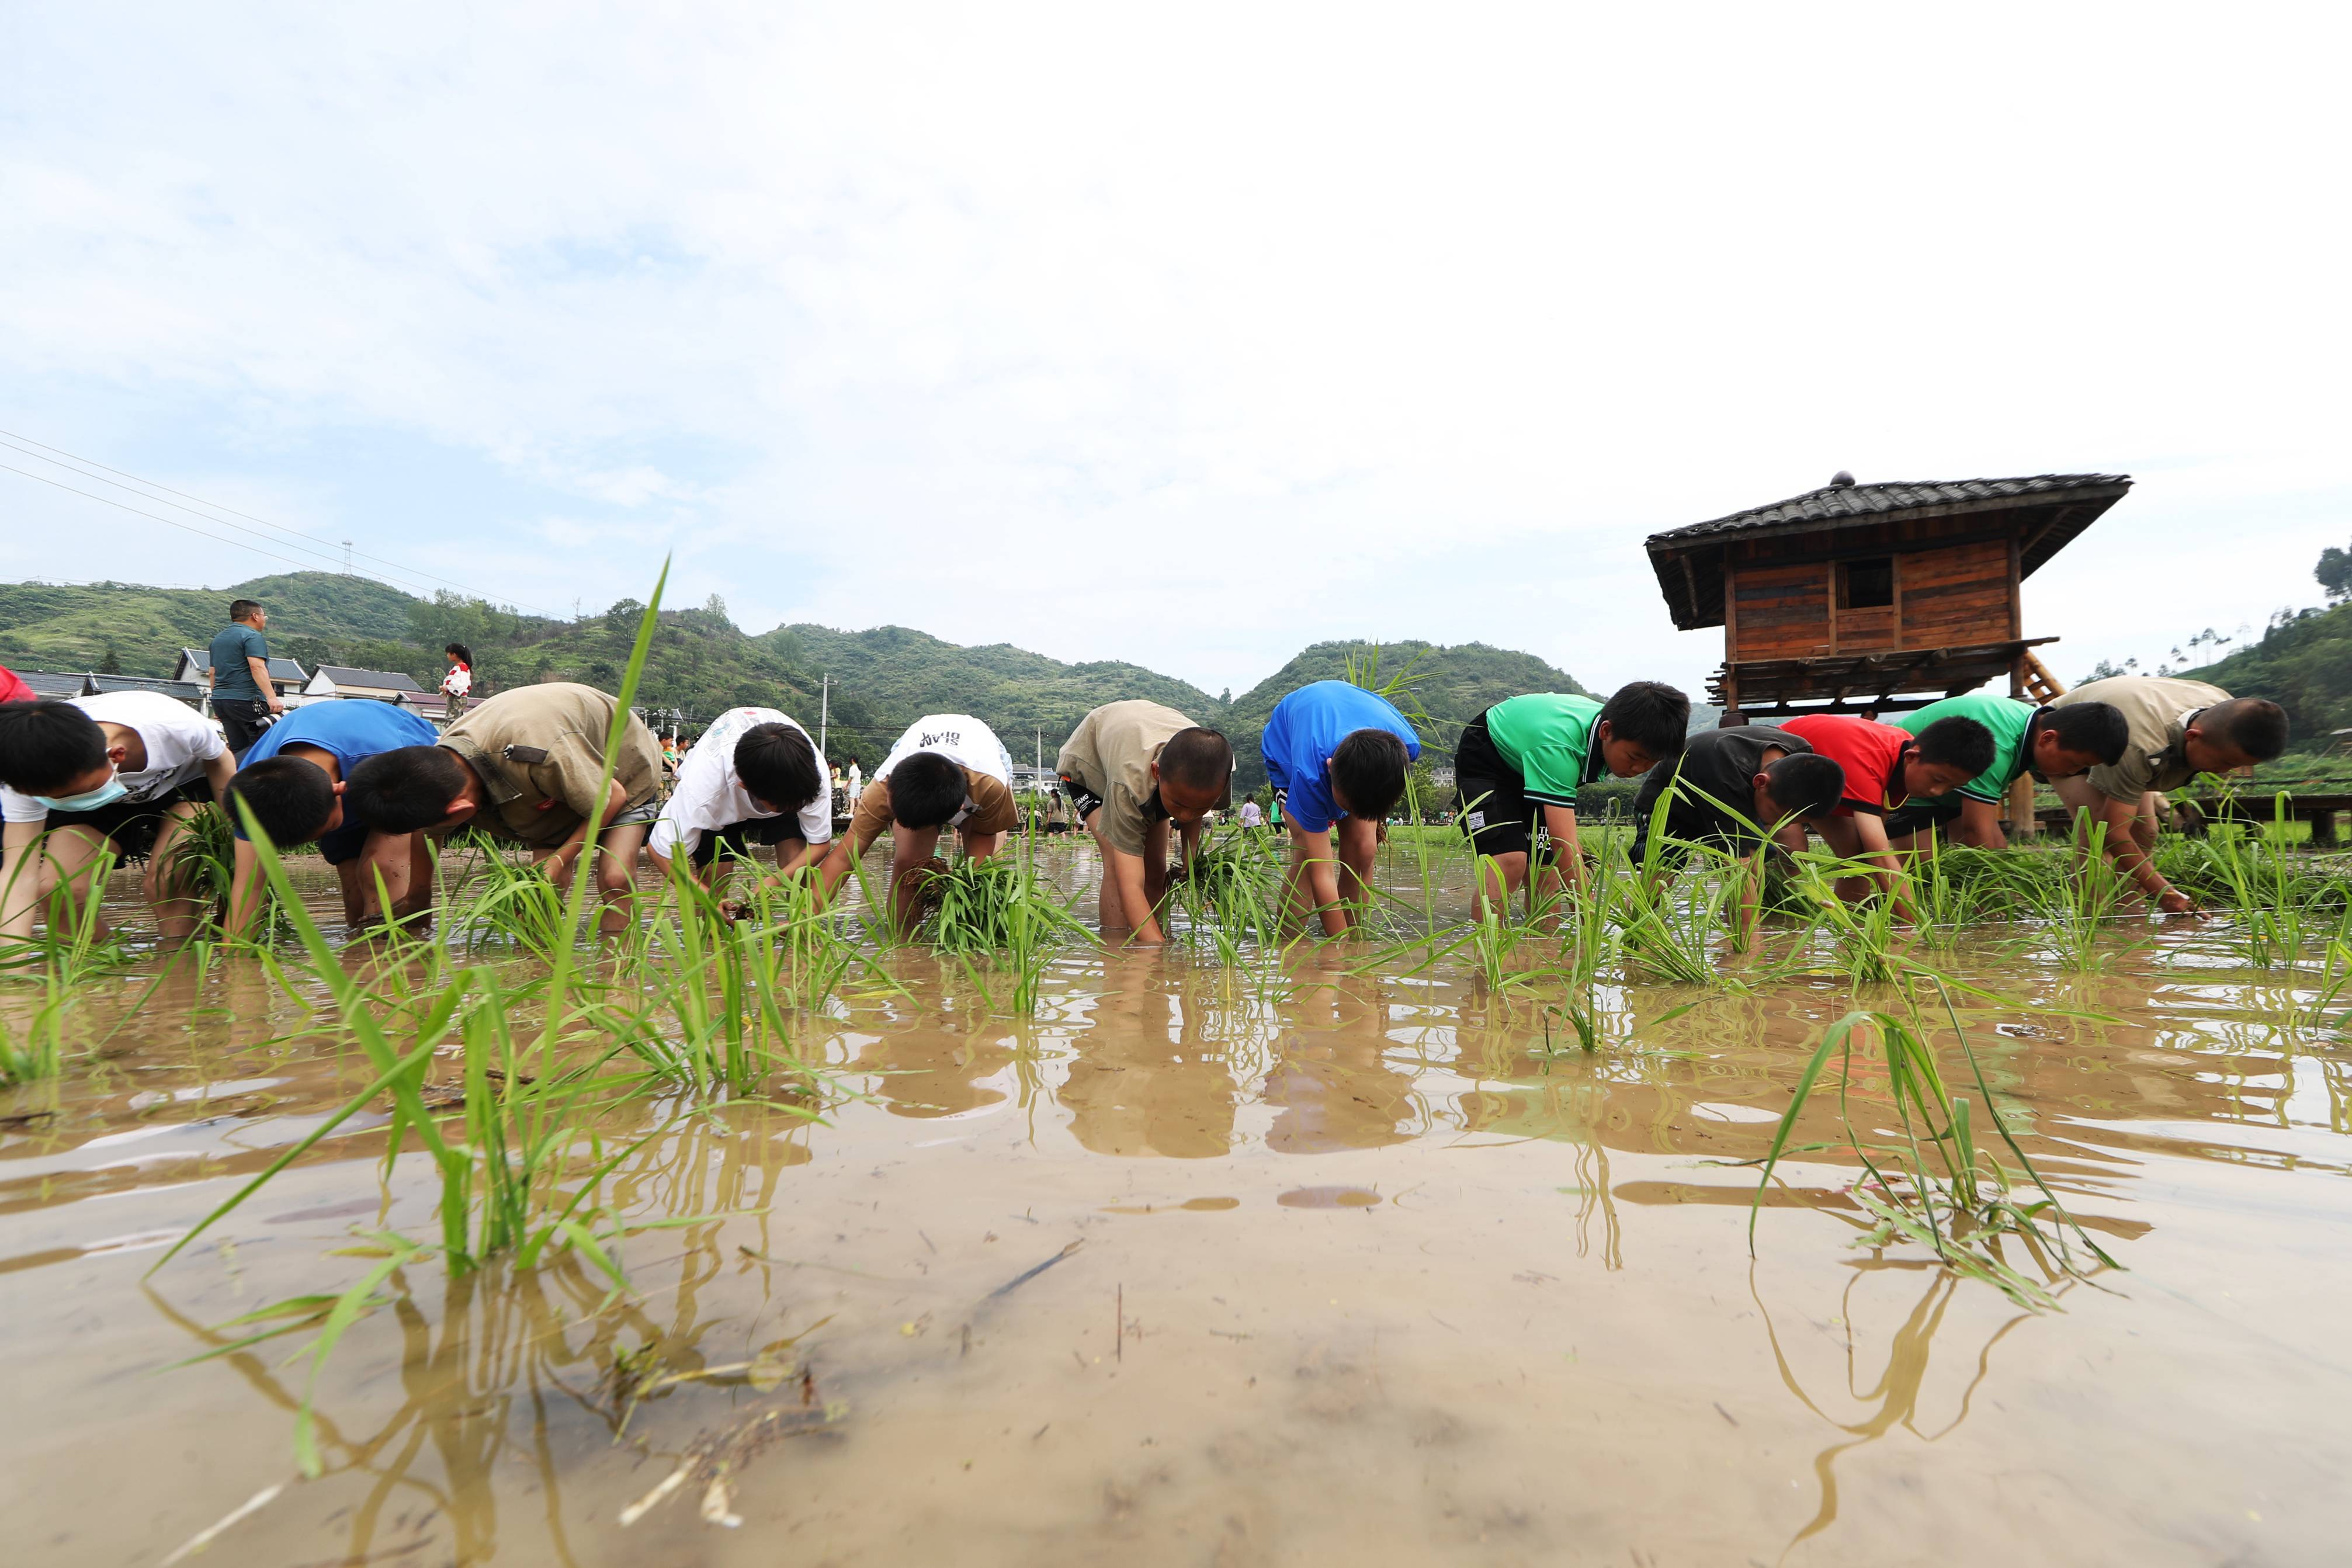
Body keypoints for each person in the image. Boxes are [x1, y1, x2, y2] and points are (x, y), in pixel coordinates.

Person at [345, 682, 664, 934]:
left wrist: (558, 859)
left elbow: (611, 796)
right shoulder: (436, 773)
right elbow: (429, 835)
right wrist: (419, 898)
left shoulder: (538, 752)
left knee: (614, 879)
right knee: (542, 890)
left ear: (460, 811)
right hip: (547, 782)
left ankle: (619, 970)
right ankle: (538, 967)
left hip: (620, 764)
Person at [0, 692, 236, 948]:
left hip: (184, 784)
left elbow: (220, 759)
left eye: (75, 793)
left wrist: (231, 834)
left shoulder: (173, 725)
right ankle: (92, 975)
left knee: (168, 881)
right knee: (59, 891)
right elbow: (18, 874)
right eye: (50, 798)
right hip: (99, 802)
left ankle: (181, 966)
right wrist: (13, 968)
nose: (65, 800)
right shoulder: (22, 777)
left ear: (116, 755)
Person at [2047, 676, 2288, 914]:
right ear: (2193, 736)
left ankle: (2130, 915)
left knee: (2145, 830)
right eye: (2224, 761)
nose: (2225, 771)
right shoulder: (2140, 746)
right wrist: (2166, 893)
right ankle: (2092, 926)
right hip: (2068, 743)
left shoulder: (2229, 714)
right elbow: (2113, 832)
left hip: (2130, 733)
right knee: (2096, 837)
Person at [1455, 682, 1690, 921]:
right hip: (1489, 755)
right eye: (1634, 758)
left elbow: (1565, 848)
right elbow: (1563, 844)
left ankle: (1544, 950)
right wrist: (1590, 918)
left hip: (1538, 763)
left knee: (1546, 874)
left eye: (1651, 763)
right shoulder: (1562, 748)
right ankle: (1489, 950)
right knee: (1510, 861)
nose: (1639, 769)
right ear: (1606, 732)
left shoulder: (1619, 736)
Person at [217, 698, 443, 936]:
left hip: (403, 781)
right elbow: (249, 888)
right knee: (357, 906)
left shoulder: (388, 753)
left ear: (339, 791)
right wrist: (234, 964)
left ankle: (405, 962)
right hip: (344, 769)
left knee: (382, 872)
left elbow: (430, 822)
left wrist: (420, 893)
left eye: (328, 828)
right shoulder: (253, 796)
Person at [1629, 724, 1846, 942]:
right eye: (1776, 814)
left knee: (1757, 866)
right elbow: (1737, 873)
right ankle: (1633, 931)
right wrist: (1751, 945)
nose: (1778, 824)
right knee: (1662, 877)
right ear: (1760, 782)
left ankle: (1732, 926)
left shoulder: (1801, 756)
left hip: (1735, 794)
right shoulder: (1725, 772)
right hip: (1672, 805)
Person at [1772, 712, 1994, 921]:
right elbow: (1879, 852)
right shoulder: (1870, 759)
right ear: (1912, 757)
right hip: (1775, 771)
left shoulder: (1908, 764)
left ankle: (1849, 930)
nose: (1938, 792)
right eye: (1937, 780)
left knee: (1858, 859)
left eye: (1952, 787)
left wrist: (1896, 905)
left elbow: (1875, 852)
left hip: (1821, 782)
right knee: (1793, 850)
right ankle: (1775, 924)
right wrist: (1913, 923)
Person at [815, 713, 1019, 931]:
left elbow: (980, 854)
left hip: (984, 751)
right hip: (916, 742)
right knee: (909, 866)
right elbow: (844, 858)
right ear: (890, 791)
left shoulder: (991, 786)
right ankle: (901, 939)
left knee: (982, 872)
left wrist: (963, 899)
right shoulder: (880, 789)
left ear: (959, 809)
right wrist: (802, 914)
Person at [1057, 700, 1232, 945]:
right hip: (1090, 767)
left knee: (1156, 867)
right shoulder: (1129, 785)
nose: (1183, 817)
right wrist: (1157, 955)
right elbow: (1130, 884)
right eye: (1179, 806)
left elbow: (1191, 808)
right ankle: (1116, 948)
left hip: (1150, 765)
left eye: (1200, 808)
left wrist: (1189, 856)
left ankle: (1154, 932)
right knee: (1116, 862)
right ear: (1156, 773)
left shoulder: (1218, 771)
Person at [1260, 680, 1420, 936]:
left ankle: (1357, 934)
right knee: (1306, 857)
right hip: (1287, 752)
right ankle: (1289, 946)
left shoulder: (1407, 747)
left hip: (1340, 727)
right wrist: (1339, 954)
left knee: (1364, 849)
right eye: (1345, 805)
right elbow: (1321, 871)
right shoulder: (1309, 776)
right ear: (1331, 767)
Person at [1882, 692, 2129, 851]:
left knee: (1967, 869)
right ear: (2048, 739)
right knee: (1923, 873)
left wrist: (2006, 877)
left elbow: (1986, 826)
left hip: (1949, 788)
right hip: (1907, 784)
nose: (2072, 772)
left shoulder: (2026, 727)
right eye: (2074, 763)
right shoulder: (1999, 747)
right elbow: (1976, 831)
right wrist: (2000, 892)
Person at [647, 706, 831, 903]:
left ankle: (798, 929)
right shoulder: (704, 786)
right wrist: (708, 899)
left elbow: (819, 844)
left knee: (797, 872)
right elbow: (661, 853)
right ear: (744, 786)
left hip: (784, 775)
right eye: (781, 805)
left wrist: (774, 881)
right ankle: (711, 931)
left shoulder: (812, 777)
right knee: (714, 878)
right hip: (724, 789)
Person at [205, 597, 283, 754]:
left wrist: (218, 700)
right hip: (247, 701)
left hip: (221, 701)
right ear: (255, 616)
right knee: (264, 745)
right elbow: (257, 667)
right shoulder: (252, 636)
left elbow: (213, 672)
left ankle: (231, 776)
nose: (264, 621)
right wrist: (272, 697)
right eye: (264, 617)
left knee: (238, 748)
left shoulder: (218, 639)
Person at [440, 643, 474, 719]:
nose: (447, 655)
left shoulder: (462, 667)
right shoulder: (459, 667)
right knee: (455, 718)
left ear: (454, 655)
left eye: (448, 653)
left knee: (452, 719)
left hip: (457, 697)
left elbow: (461, 683)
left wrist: (447, 687)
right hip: (454, 696)